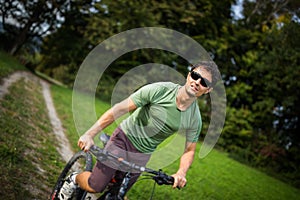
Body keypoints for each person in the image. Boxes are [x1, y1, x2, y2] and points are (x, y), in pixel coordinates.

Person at [59, 61, 219, 199]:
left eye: (204, 82)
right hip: (123, 140)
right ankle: (74, 179)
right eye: (195, 75)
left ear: (208, 90)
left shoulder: (194, 118)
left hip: (142, 155)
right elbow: (119, 109)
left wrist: (181, 173)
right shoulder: (160, 90)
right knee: (95, 186)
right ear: (188, 75)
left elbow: (189, 150)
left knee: (117, 195)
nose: (197, 82)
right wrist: (89, 134)